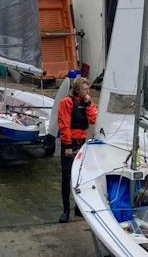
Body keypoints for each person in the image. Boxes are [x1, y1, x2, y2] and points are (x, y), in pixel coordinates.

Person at [56, 77, 97, 223]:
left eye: (88, 89)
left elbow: (93, 119)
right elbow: (64, 124)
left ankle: (79, 208)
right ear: (77, 90)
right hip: (70, 142)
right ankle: (66, 210)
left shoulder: (86, 104)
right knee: (67, 177)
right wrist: (67, 145)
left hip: (82, 143)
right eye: (85, 89)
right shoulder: (66, 102)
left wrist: (89, 104)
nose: (88, 92)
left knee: (81, 177)